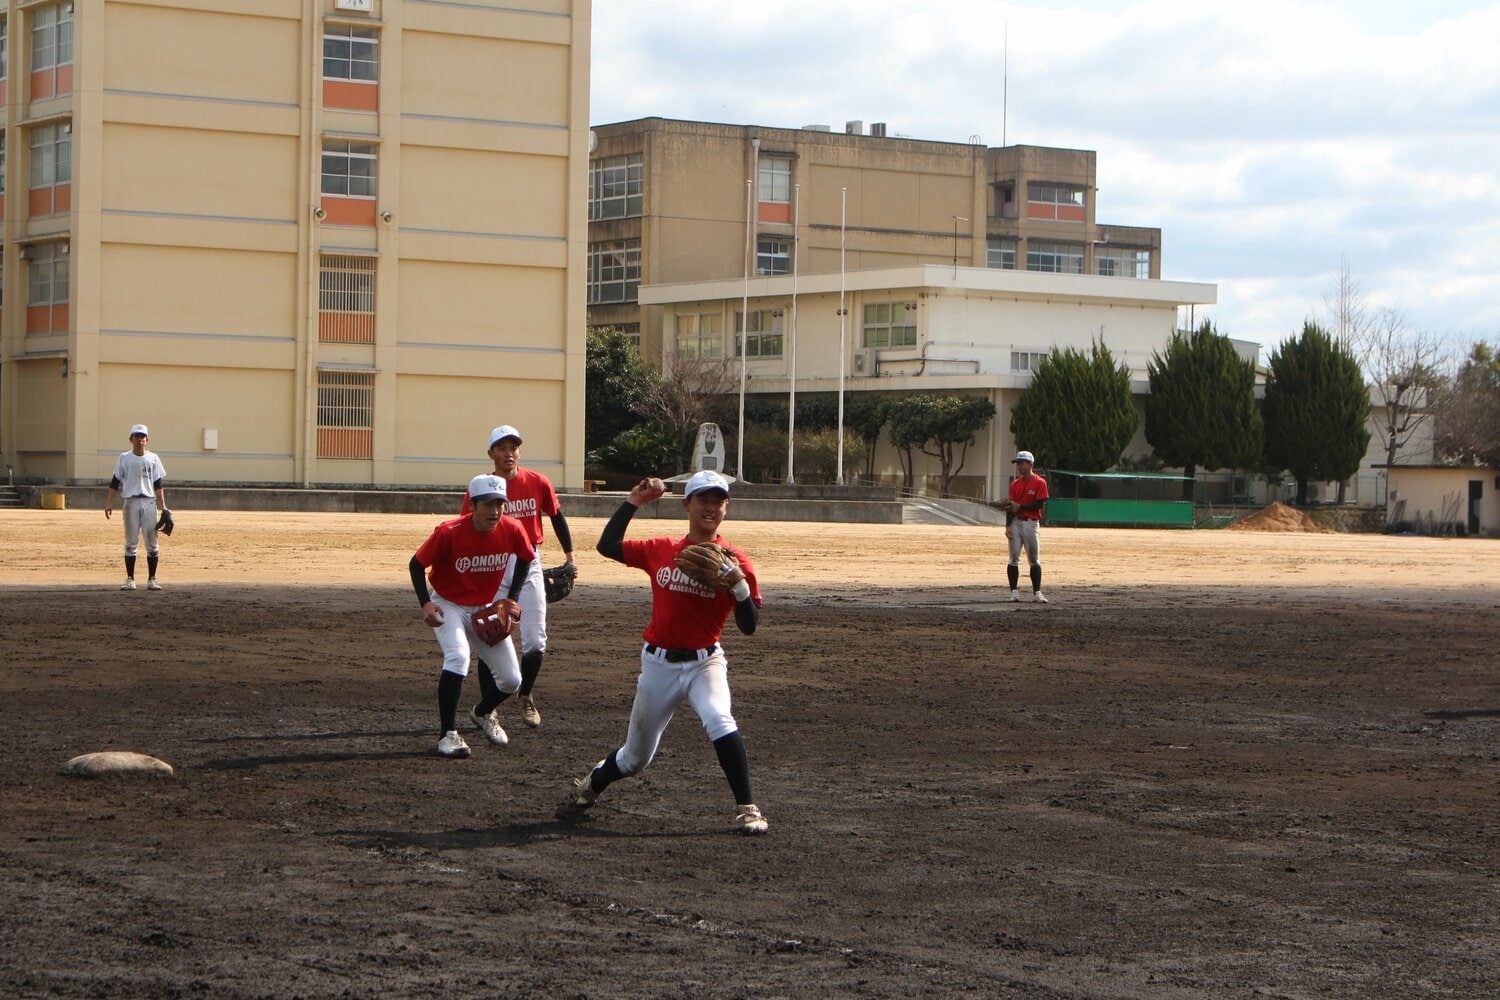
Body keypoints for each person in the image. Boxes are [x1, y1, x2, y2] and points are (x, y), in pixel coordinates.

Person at [562, 470, 769, 835]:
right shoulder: (661, 549)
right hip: (658, 665)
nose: (710, 507)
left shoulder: (738, 562)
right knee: (634, 758)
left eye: (718, 501)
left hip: (706, 662)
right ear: (687, 504)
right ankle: (593, 783)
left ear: (726, 508)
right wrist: (633, 503)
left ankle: (747, 807)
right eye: (702, 499)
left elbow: (749, 626)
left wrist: (737, 585)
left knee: (720, 719)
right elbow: (606, 546)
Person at [460, 424, 576, 729]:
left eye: (513, 448)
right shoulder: (480, 487)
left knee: (536, 640)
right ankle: (489, 708)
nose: (508, 454)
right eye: (502, 448)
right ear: (491, 454)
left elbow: (556, 517)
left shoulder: (537, 482)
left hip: (530, 561)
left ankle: (526, 696)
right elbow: (465, 529)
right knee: (492, 631)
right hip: (493, 562)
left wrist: (570, 556)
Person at [411, 474, 535, 758]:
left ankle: (482, 712)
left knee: (511, 680)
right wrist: (425, 604)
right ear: (472, 505)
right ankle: (447, 735)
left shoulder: (512, 529)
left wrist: (511, 598)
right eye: (487, 504)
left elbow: (526, 557)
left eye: (500, 504)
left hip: (484, 607)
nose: (494, 511)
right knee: (458, 657)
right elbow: (416, 564)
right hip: (448, 604)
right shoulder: (450, 532)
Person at [104, 424, 169, 591]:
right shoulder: (124, 458)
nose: (139, 440)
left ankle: (152, 579)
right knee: (131, 542)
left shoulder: (153, 458)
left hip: (149, 502)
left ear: (147, 439)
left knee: (152, 542)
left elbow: (158, 484)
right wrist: (109, 503)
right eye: (136, 436)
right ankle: (130, 579)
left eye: (142, 436)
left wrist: (164, 508)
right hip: (131, 502)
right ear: (131, 439)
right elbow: (115, 482)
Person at [1005, 450, 1050, 603]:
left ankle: (1037, 592)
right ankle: (1014, 591)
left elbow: (1039, 503)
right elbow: (1011, 507)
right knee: (1013, 557)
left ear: (1031, 464)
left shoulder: (1039, 482)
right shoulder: (1014, 484)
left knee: (1034, 559)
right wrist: (1008, 526)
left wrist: (1020, 506)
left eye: (1022, 463)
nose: (1019, 466)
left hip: (1031, 524)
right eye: (1018, 463)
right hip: (1016, 523)